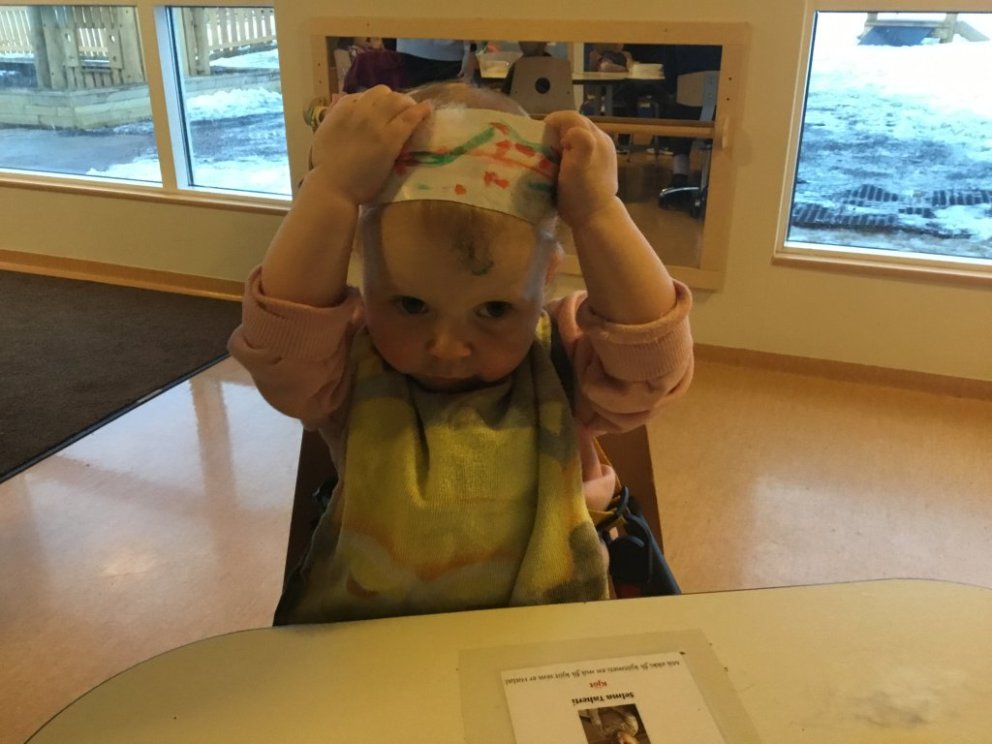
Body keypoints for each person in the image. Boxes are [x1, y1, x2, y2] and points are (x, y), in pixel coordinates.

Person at [228, 82, 693, 624]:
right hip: (374, 646)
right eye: (410, 305)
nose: (447, 348)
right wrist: (330, 190)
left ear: (545, 278)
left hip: (547, 641)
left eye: (495, 310)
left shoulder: (564, 359)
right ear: (360, 266)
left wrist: (600, 215)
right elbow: (282, 340)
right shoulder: (342, 367)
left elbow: (652, 364)